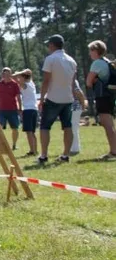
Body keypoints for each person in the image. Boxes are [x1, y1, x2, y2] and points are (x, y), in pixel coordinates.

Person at [38, 34, 77, 164]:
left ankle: (43, 155)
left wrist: (42, 98)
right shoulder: (72, 60)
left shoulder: (50, 59)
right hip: (67, 98)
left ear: (53, 45)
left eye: (49, 45)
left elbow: (46, 81)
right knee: (68, 126)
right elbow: (72, 83)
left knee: (44, 126)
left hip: (53, 98)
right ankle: (65, 154)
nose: (48, 47)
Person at [86, 40, 116, 159]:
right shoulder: (108, 62)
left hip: (102, 96)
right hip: (110, 95)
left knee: (107, 125)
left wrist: (94, 81)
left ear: (96, 51)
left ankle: (113, 151)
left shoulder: (97, 63)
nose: (89, 53)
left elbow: (88, 82)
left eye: (91, 50)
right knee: (110, 124)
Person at [0, 67, 23, 151]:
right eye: (4, 74)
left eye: (8, 73)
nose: (6, 75)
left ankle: (14, 145)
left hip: (12, 109)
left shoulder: (15, 84)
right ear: (2, 74)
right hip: (1, 109)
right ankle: (1, 144)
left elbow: (18, 98)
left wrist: (20, 108)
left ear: (10, 74)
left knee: (15, 128)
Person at [13, 69, 39, 156]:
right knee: (32, 131)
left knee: (29, 131)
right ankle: (34, 149)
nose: (19, 78)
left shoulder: (25, 85)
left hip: (28, 110)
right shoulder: (32, 83)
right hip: (34, 109)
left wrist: (21, 73)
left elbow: (13, 77)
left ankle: (32, 150)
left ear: (24, 77)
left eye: (21, 77)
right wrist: (24, 73)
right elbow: (29, 73)